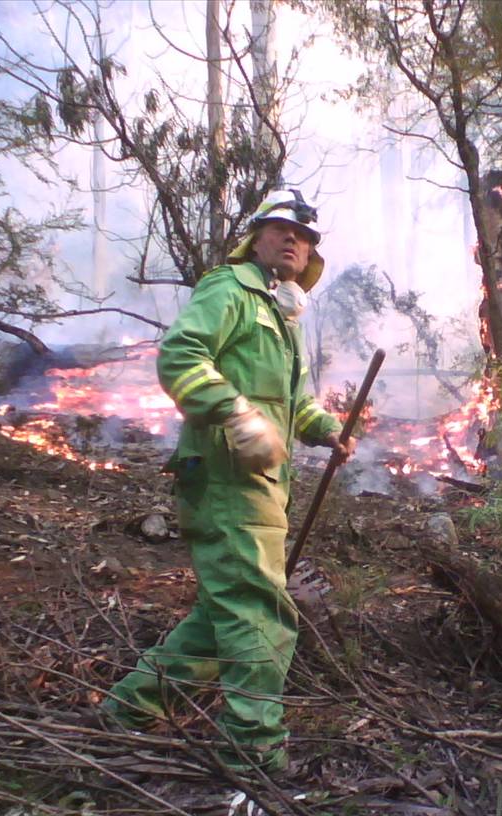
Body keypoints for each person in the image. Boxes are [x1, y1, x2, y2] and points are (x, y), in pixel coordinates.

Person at [100, 189, 354, 778]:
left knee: (223, 618)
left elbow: (293, 403)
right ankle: (253, 749)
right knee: (258, 612)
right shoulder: (228, 289)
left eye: (304, 236)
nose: (293, 240)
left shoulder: (283, 316)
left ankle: (129, 709)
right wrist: (235, 412)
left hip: (263, 485)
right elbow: (180, 356)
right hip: (224, 478)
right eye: (282, 229)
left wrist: (326, 429)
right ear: (257, 236)